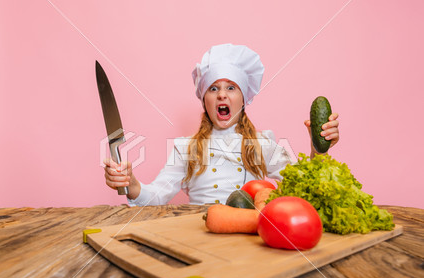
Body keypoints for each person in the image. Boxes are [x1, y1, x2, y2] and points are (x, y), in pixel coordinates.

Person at [103, 44, 340, 206]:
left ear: (243, 99)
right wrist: (131, 184)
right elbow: (155, 196)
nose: (222, 95)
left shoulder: (263, 144)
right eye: (213, 88)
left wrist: (317, 150)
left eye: (231, 87)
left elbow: (303, 189)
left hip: (250, 237)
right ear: (204, 99)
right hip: (198, 234)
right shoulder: (185, 148)